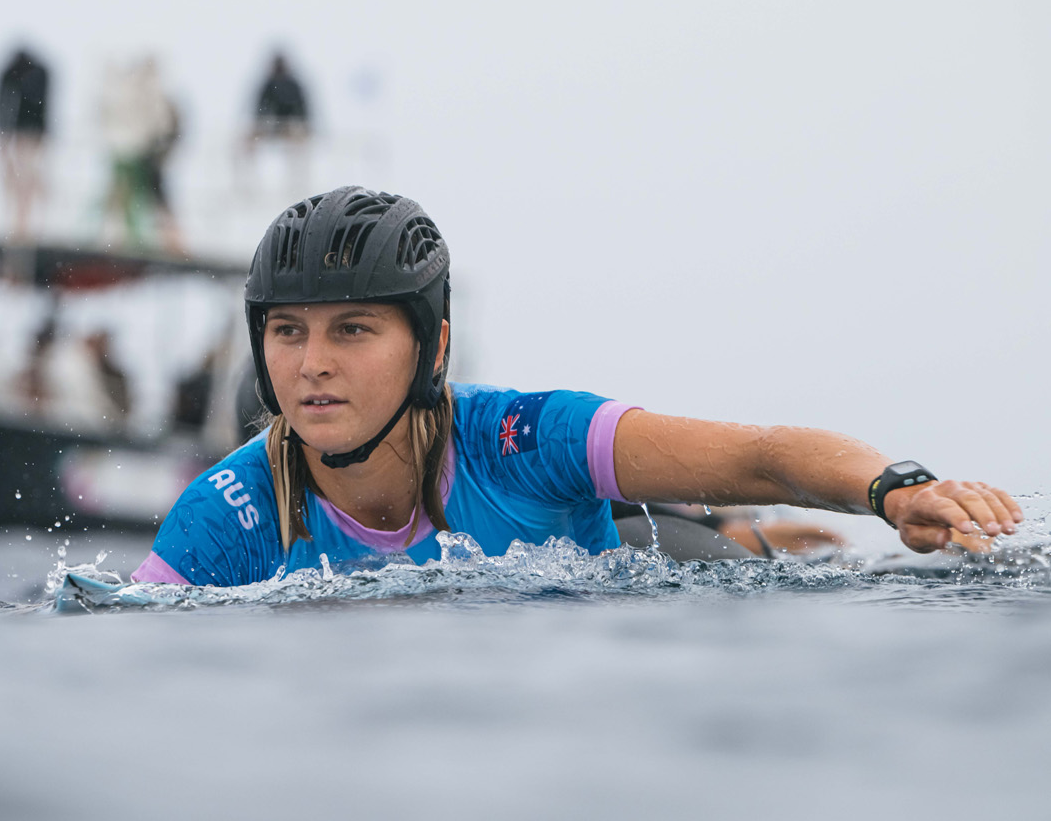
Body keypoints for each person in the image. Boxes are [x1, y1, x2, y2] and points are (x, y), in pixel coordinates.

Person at [130, 187, 1022, 587]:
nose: (310, 363)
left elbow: (762, 453)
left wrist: (897, 489)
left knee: (706, 547)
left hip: (634, 560)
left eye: (352, 329)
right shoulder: (228, 512)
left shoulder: (523, 436)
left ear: (432, 347)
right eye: (287, 331)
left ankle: (750, 541)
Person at [99, 56, 182, 250]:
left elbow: (163, 125)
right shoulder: (151, 94)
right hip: (141, 155)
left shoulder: (148, 94)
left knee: (145, 200)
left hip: (145, 157)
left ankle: (169, 243)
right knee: (141, 201)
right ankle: (165, 242)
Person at [0, 48, 54, 242]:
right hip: (26, 136)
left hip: (26, 137)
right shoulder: (33, 74)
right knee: (22, 182)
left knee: (26, 181)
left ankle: (25, 226)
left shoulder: (18, 74)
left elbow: (4, 106)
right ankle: (21, 226)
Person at [251, 51, 310, 141]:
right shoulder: (268, 85)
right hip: (271, 124)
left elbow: (302, 109)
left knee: (297, 135)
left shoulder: (292, 85)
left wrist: (298, 123)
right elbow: (260, 109)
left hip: (289, 125)